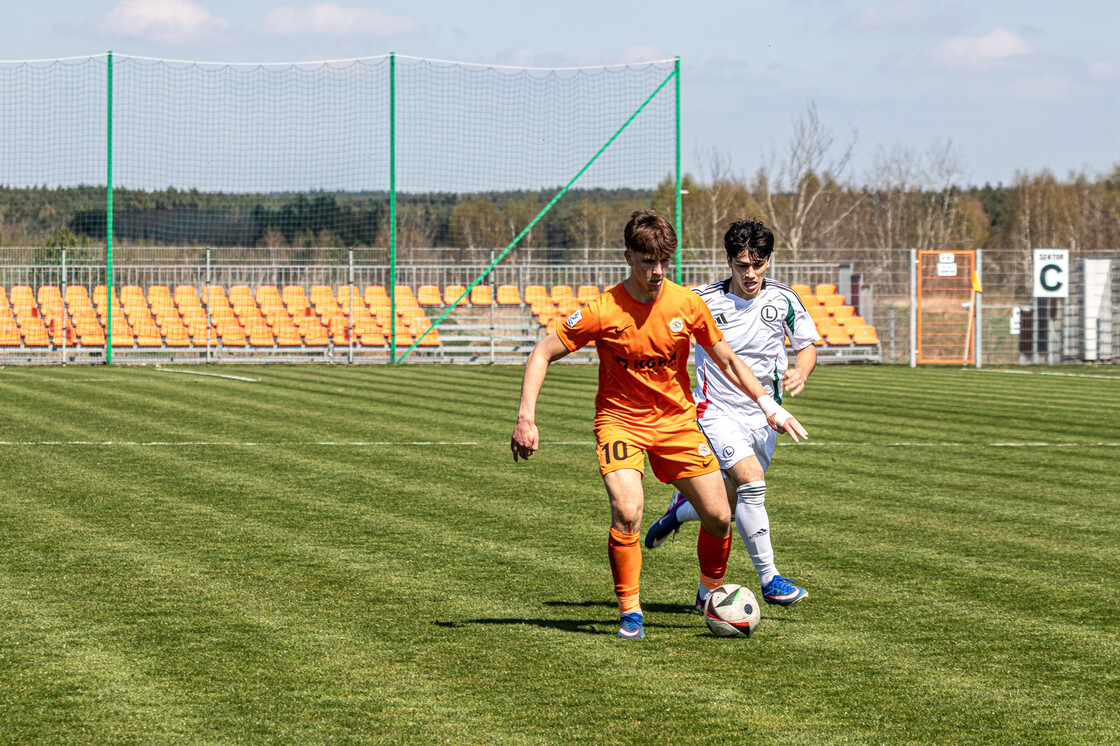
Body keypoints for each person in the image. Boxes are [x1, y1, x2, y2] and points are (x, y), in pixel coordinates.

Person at [510, 210, 807, 640]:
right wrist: (526, 418)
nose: (656, 271)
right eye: (648, 261)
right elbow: (541, 352)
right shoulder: (603, 309)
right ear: (628, 256)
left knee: (721, 515)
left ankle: (709, 595)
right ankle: (630, 611)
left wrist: (768, 405)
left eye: (664, 261)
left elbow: (726, 358)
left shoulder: (686, 304)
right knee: (628, 511)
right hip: (621, 423)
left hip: (676, 424)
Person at [643, 219, 819, 608]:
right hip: (714, 410)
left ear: (768, 261)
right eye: (742, 265)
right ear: (728, 261)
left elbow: (807, 345)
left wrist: (801, 371)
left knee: (731, 500)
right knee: (751, 482)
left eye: (758, 264)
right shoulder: (701, 298)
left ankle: (678, 514)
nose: (750, 274)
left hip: (765, 416)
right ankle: (770, 578)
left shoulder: (785, 299)